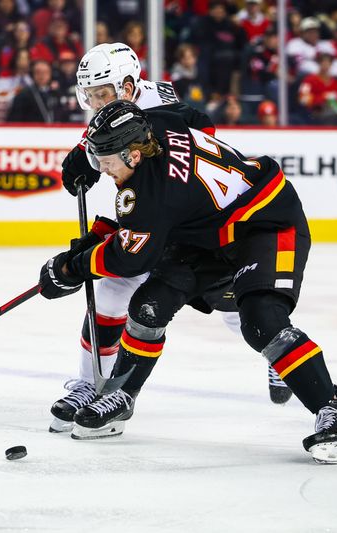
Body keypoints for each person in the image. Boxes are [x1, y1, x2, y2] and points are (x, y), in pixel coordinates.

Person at [39, 100, 337, 464]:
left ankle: (336, 417)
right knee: (148, 306)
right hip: (208, 232)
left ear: (134, 156)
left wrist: (72, 268)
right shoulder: (156, 121)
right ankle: (120, 397)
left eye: (106, 162)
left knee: (262, 321)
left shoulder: (151, 192)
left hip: (266, 222)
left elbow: (133, 257)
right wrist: (85, 155)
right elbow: (195, 118)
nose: (102, 170)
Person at [48, 42, 292, 435]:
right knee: (112, 291)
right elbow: (126, 194)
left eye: (102, 94)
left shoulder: (160, 101)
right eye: (89, 96)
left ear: (128, 86)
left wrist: (87, 254)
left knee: (232, 303)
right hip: (147, 214)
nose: (95, 103)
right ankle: (91, 385)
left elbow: (203, 135)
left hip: (195, 224)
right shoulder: (114, 109)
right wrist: (84, 154)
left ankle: (278, 352)